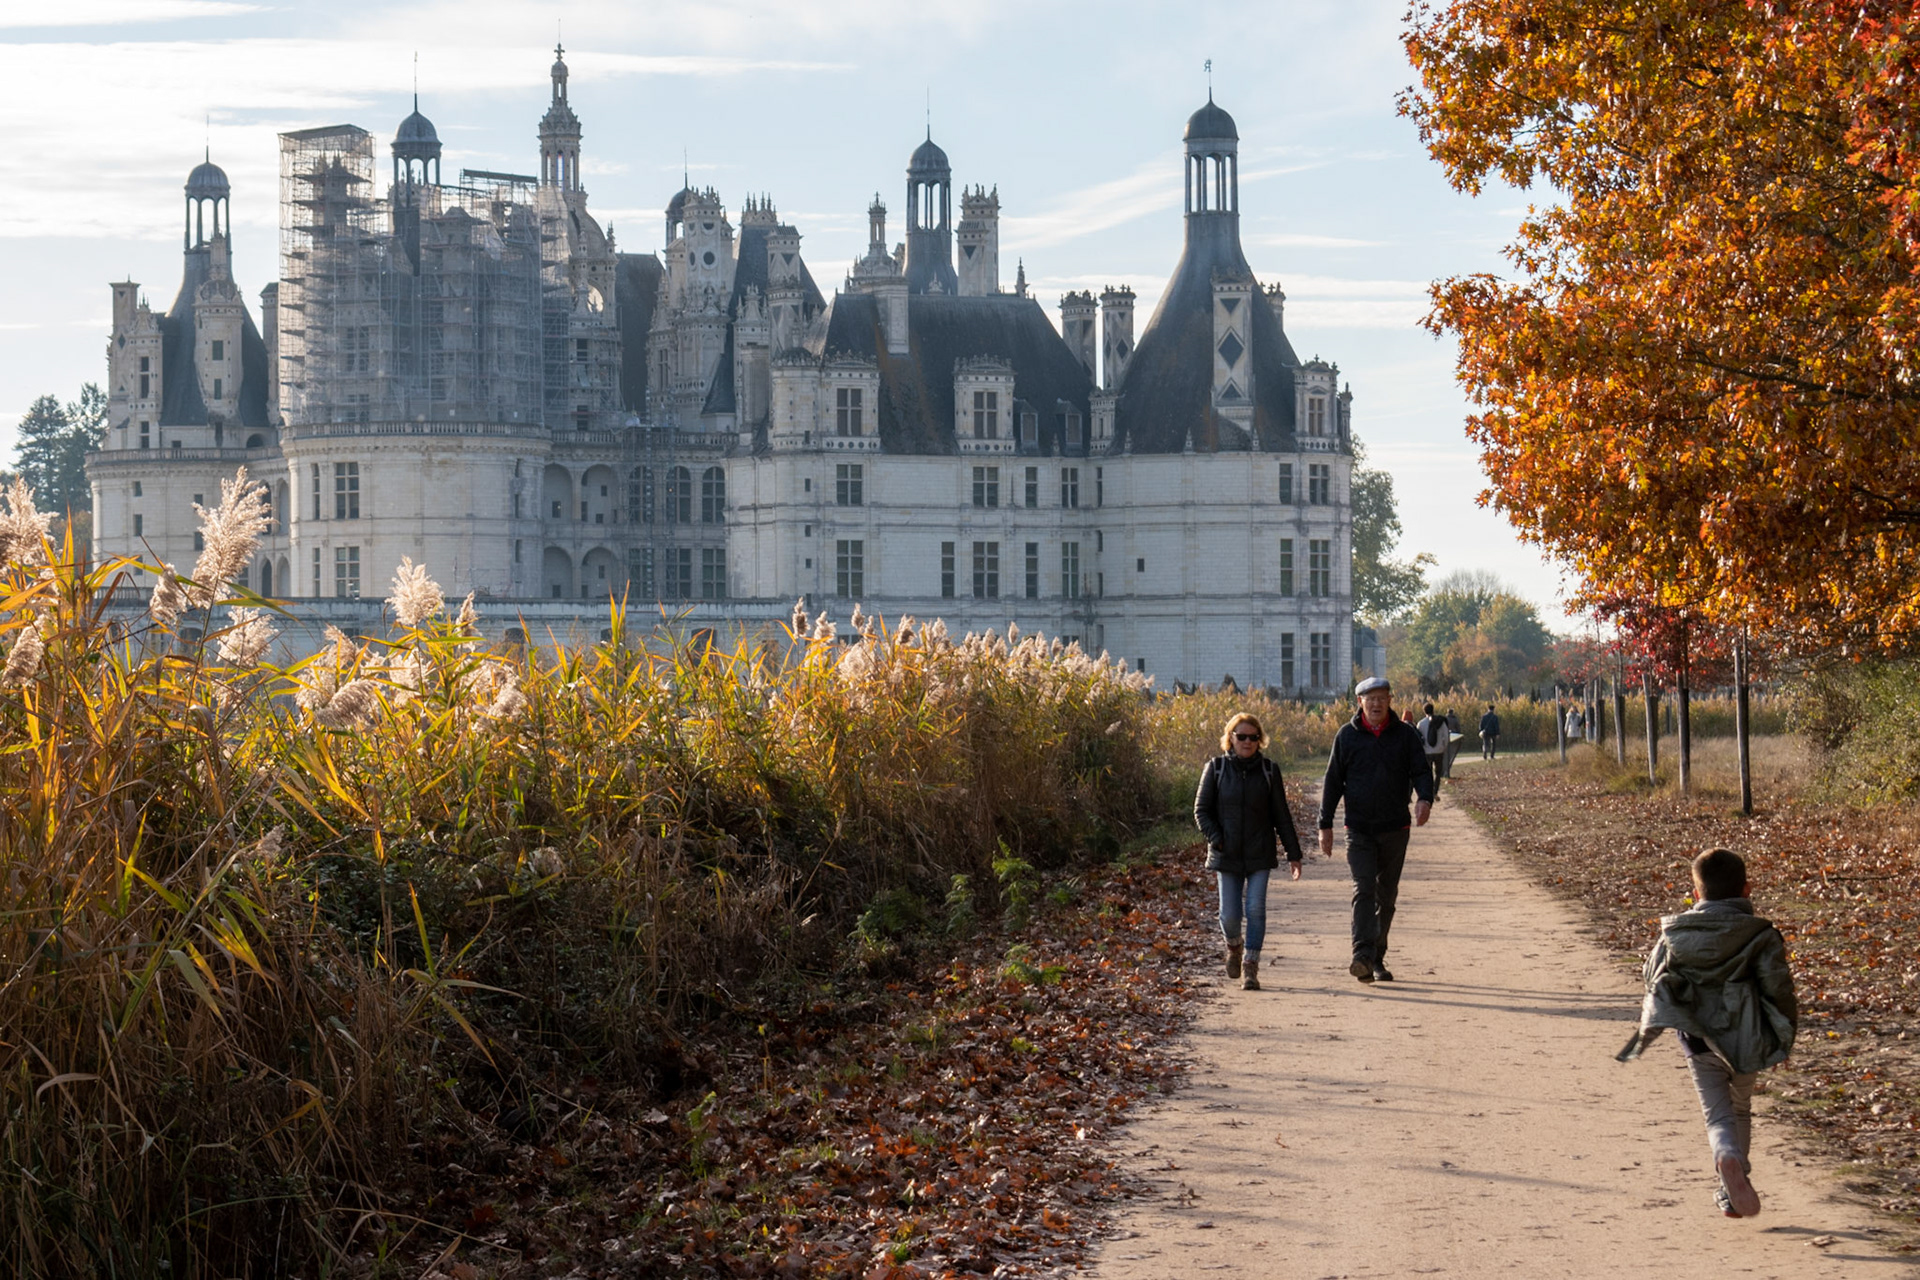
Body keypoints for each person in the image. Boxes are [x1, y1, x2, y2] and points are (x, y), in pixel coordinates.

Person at [1618, 849, 1798, 1218]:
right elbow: (1778, 989)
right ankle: (1732, 1184)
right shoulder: (1760, 934)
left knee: (1718, 1115)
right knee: (1741, 1106)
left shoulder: (1676, 933)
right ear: (1747, 889)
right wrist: (1782, 1036)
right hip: (1747, 1036)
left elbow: (1651, 975)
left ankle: (1726, 1157)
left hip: (1697, 1038)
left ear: (1696, 893)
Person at [1318, 678, 1435, 983]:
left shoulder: (1405, 735)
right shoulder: (1346, 736)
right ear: (1360, 702)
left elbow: (1421, 771)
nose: (1376, 704)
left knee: (1387, 896)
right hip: (1359, 828)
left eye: (1381, 698)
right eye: (1370, 699)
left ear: (1390, 700)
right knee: (1364, 889)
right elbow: (1333, 782)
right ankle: (1361, 955)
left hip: (1395, 827)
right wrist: (1324, 825)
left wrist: (1425, 799)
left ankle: (1376, 957)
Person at [1194, 711, 1305, 992]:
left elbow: (1281, 816)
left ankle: (1251, 967)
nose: (1247, 742)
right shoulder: (1216, 768)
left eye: (1253, 737)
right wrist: (1217, 839)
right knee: (1229, 916)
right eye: (1241, 736)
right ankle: (1234, 946)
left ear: (1259, 740)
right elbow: (1201, 811)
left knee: (1255, 909)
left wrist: (1293, 854)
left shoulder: (1269, 771)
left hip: (1259, 853)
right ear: (1230, 738)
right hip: (1226, 854)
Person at [1416, 702, 1450, 792]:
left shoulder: (1421, 724)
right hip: (1439, 751)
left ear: (1424, 711)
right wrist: (1444, 747)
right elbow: (1446, 736)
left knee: (1428, 772)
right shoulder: (1441, 722)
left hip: (1427, 752)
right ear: (1433, 710)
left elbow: (1418, 738)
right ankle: (1435, 790)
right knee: (1438, 772)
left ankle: (1429, 789)